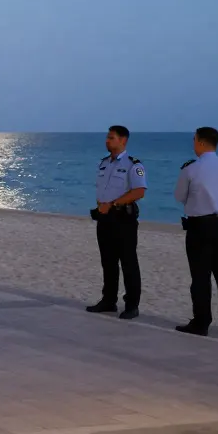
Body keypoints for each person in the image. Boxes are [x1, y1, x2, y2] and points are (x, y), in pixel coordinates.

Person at [173, 127, 218, 338]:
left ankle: (201, 322)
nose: (193, 144)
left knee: (200, 277)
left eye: (194, 140)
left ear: (201, 142)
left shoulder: (191, 169)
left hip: (200, 227)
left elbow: (179, 196)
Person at [85, 125, 146, 320]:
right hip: (105, 218)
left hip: (123, 219)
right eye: (107, 138)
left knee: (128, 262)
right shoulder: (104, 164)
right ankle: (108, 300)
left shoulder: (133, 165)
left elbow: (139, 191)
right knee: (108, 261)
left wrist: (112, 204)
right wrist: (103, 206)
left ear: (123, 141)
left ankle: (131, 305)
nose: (107, 141)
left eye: (111, 138)